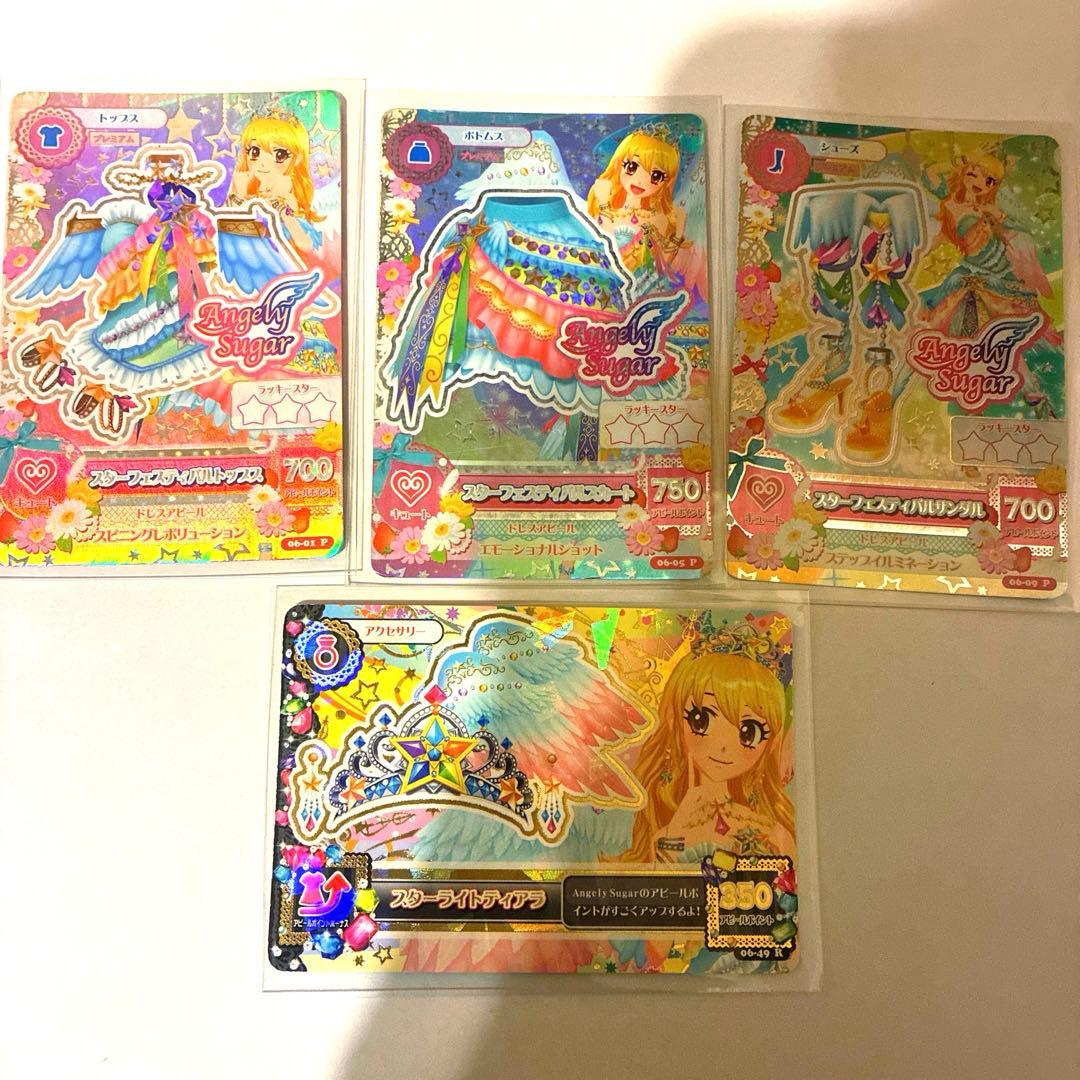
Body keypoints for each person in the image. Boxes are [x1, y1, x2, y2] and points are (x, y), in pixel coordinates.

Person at [621, 647, 794, 864]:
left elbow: (787, 879)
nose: (723, 746)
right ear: (674, 720)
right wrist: (676, 834)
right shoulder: (666, 832)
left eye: (750, 732)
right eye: (701, 720)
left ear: (770, 743)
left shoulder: (771, 833)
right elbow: (657, 880)